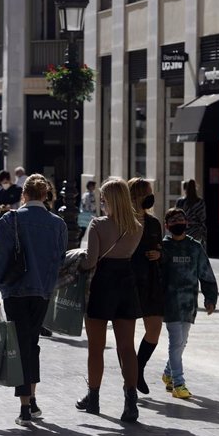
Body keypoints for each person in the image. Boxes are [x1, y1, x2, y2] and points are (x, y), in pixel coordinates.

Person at [0, 174, 67, 426]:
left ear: (24, 195)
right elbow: (60, 261)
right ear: (45, 195)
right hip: (42, 291)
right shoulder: (58, 224)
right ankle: (31, 399)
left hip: (15, 290)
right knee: (32, 343)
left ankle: (24, 406)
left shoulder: (11, 220)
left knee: (21, 345)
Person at [76, 178, 143, 422]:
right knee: (127, 348)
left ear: (110, 200)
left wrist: (78, 264)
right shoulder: (137, 226)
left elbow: (91, 261)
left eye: (103, 199)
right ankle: (130, 402)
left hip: (103, 285)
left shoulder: (97, 225)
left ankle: (93, 398)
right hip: (126, 283)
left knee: (96, 348)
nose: (101, 203)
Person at [160, 207, 217, 399]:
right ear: (167, 226)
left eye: (180, 220)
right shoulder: (163, 249)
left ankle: (168, 373)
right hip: (170, 304)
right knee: (176, 342)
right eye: (173, 221)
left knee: (182, 342)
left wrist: (210, 298)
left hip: (189, 304)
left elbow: (206, 274)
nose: (178, 224)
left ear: (187, 223)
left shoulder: (195, 247)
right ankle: (179, 383)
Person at [128, 178, 164, 395]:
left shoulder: (153, 223)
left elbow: (161, 248)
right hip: (129, 281)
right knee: (127, 335)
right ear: (137, 196)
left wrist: (159, 254)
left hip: (151, 280)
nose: (151, 196)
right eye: (148, 192)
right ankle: (131, 379)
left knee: (155, 329)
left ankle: (139, 368)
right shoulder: (124, 222)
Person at [175, 179, 207, 249]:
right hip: (197, 232)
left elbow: (176, 216)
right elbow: (202, 218)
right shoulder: (200, 202)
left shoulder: (180, 202)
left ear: (184, 189)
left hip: (183, 231)